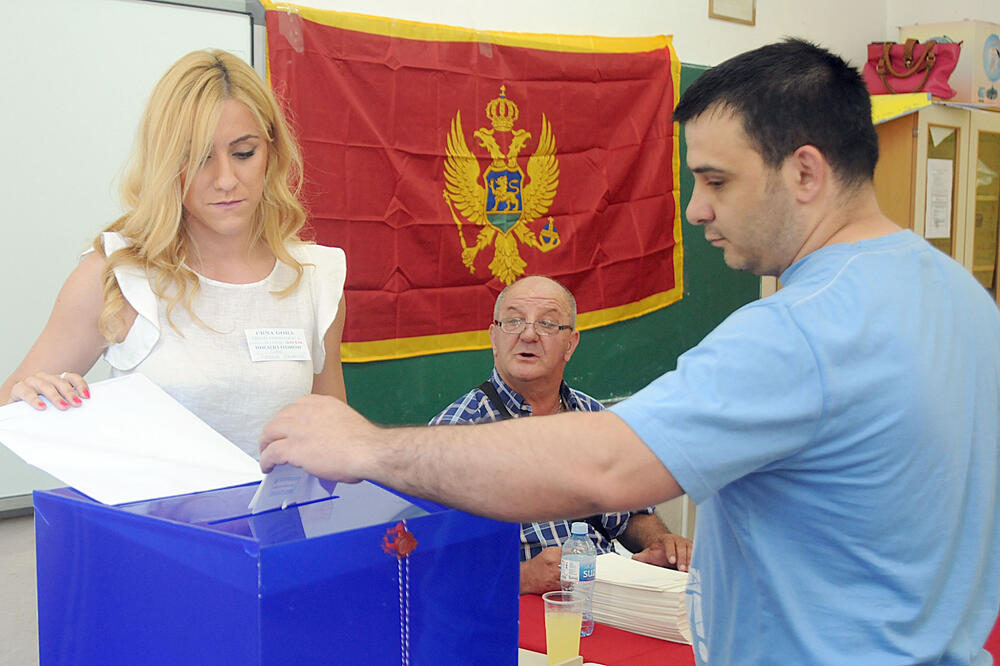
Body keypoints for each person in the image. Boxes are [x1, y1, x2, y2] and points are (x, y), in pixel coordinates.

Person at [259, 39, 1000, 665]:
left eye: (715, 180)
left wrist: (369, 449)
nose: (695, 208)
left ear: (806, 172)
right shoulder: (965, 298)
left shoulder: (800, 328)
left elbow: (604, 465)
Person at [0, 50, 347, 458]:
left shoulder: (314, 277)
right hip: (151, 520)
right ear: (165, 161)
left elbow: (335, 436)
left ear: (271, 151)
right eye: (198, 158)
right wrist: (32, 397)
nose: (225, 180)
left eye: (243, 153)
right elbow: (12, 409)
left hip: (277, 519)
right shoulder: (118, 274)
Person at [430, 275, 692, 594]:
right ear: (493, 337)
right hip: (513, 617)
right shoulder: (455, 433)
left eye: (548, 324)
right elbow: (429, 566)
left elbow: (629, 516)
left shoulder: (594, 418)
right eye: (513, 321)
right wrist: (523, 577)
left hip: (603, 603)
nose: (528, 334)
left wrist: (661, 544)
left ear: (570, 344)